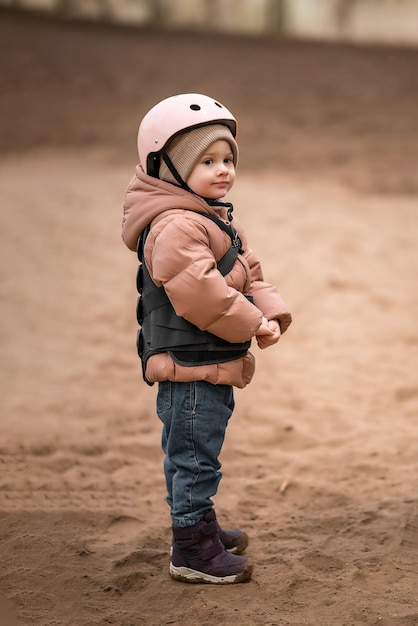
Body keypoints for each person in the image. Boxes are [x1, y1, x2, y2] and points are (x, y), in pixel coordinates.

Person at [122, 93, 291, 584]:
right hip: (189, 363)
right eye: (207, 161)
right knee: (194, 457)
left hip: (210, 359)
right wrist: (251, 323)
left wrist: (271, 311)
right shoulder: (176, 226)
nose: (223, 170)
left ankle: (201, 526)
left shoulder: (214, 217)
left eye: (228, 159)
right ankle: (191, 550)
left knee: (201, 454)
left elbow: (249, 271)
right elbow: (202, 294)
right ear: (166, 169)